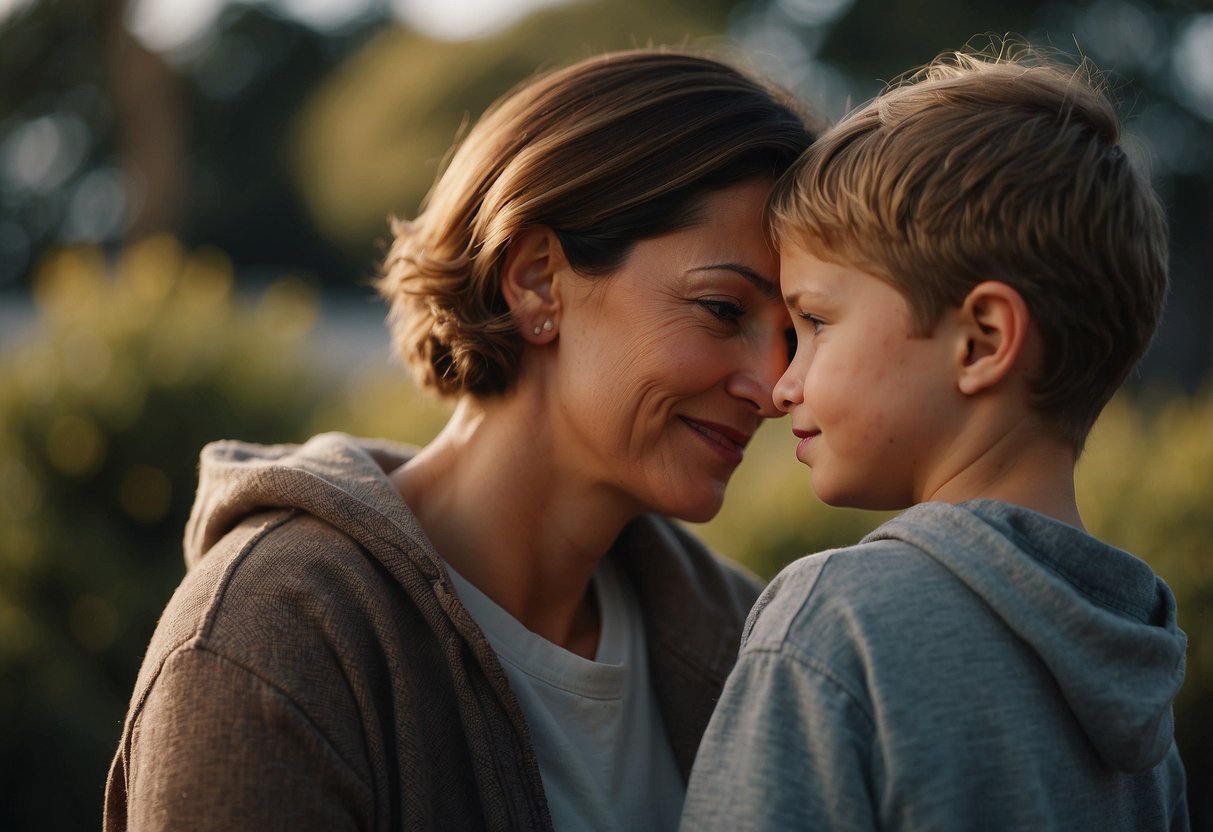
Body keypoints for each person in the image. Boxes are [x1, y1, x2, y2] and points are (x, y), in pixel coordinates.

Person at [104, 49, 817, 830]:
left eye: (791, 337)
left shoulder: (750, 640)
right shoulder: (275, 636)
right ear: (537, 278)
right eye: (722, 309)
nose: (775, 387)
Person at [680, 44, 1189, 831]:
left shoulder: (837, 618)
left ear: (982, 340)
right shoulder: (1139, 689)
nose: (783, 387)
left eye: (815, 322)